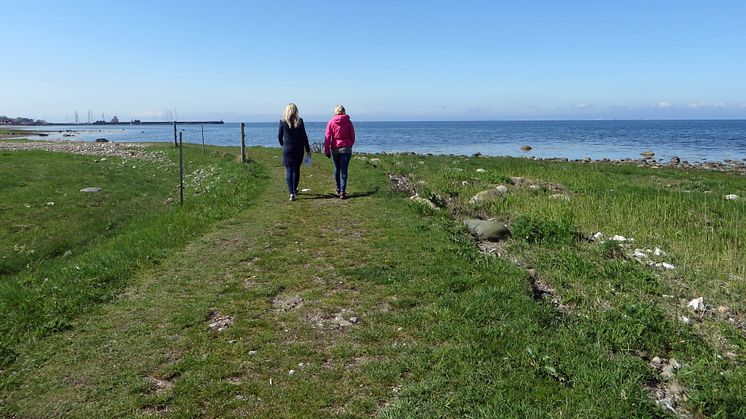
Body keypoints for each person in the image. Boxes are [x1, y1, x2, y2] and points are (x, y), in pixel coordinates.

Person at [278, 103, 310, 201]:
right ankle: (295, 190)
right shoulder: (300, 121)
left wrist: (283, 144)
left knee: (289, 170)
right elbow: (304, 136)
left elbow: (279, 136)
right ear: (296, 111)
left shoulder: (283, 122)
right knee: (296, 169)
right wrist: (307, 149)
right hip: (298, 149)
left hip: (288, 149)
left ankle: (291, 193)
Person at [324, 105, 356, 199]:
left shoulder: (331, 122)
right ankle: (343, 191)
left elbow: (327, 137)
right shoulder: (348, 122)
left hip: (335, 148)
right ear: (344, 111)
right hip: (346, 147)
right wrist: (350, 145)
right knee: (344, 170)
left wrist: (327, 150)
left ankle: (338, 188)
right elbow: (352, 136)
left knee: (337, 168)